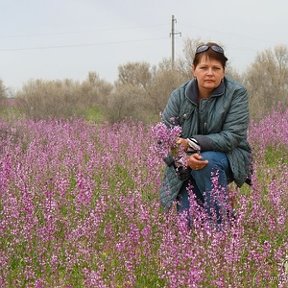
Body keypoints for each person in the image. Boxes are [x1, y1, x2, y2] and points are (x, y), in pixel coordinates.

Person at [160, 42, 252, 225]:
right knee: (188, 224)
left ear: (223, 71)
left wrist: (191, 144)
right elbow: (163, 139)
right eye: (204, 67)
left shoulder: (237, 93)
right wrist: (184, 159)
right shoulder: (178, 96)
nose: (210, 73)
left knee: (206, 162)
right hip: (185, 164)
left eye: (216, 68)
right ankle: (226, 213)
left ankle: (221, 229)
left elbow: (232, 137)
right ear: (194, 69)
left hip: (229, 157)